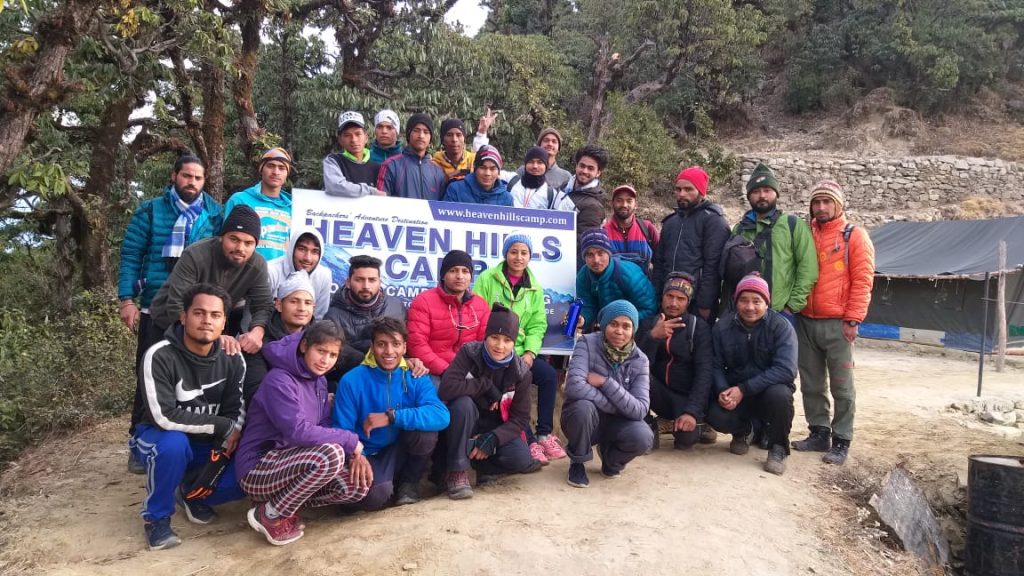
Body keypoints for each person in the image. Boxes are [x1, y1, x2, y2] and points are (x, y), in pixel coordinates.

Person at [130, 206, 273, 443]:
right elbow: (176, 303)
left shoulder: (257, 265)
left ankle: (198, 434)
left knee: (202, 382)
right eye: (234, 239)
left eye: (248, 243)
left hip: (212, 323)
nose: (240, 248)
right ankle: (140, 435)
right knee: (152, 380)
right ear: (221, 237)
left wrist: (257, 330)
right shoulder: (196, 254)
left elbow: (263, 304)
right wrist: (217, 336)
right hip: (167, 319)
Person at [118, 154, 223, 473]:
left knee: (192, 378)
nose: (192, 182)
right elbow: (132, 254)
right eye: (187, 176)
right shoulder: (151, 210)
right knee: (148, 374)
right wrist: (126, 300)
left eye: (198, 178)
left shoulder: (215, 213)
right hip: (156, 306)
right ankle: (139, 441)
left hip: (196, 309)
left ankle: (184, 441)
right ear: (173, 176)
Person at [129, 284, 246, 550]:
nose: (207, 321)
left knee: (247, 468)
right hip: (158, 435)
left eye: (215, 315)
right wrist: (223, 426)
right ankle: (156, 518)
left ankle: (192, 493)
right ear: (183, 316)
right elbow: (163, 416)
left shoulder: (232, 356)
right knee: (173, 446)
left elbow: (235, 409)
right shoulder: (159, 354)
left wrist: (231, 432)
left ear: (224, 321)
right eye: (199, 313)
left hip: (206, 440)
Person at [235, 321, 370, 546]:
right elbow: (297, 432)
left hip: (293, 465)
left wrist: (356, 455)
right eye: (321, 351)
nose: (325, 360)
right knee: (332, 454)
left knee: (357, 485)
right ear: (304, 346)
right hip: (258, 467)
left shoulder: (319, 381)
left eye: (332, 355)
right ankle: (269, 514)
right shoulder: (279, 379)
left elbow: (324, 425)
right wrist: (351, 441)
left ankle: (284, 505)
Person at [792, 180, 875, 465]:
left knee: (842, 384)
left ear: (838, 204)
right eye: (817, 202)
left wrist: (853, 318)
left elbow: (863, 280)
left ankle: (842, 439)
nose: (821, 207)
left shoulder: (855, 236)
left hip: (838, 321)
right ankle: (819, 432)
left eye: (827, 202)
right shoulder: (805, 233)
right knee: (811, 382)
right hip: (805, 319)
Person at [332, 318, 450, 509]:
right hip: (367, 452)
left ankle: (409, 483)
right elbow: (341, 428)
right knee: (375, 497)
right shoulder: (351, 380)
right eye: (381, 344)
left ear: (404, 347)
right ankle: (385, 485)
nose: (389, 352)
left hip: (400, 447)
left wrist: (391, 417)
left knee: (426, 432)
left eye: (395, 344)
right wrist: (355, 455)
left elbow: (441, 415)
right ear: (372, 346)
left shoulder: (415, 375)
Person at [474, 233, 567, 464]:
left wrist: (530, 353)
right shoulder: (487, 279)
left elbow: (538, 325)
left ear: (530, 256)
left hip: (521, 351)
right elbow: (478, 314)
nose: (518, 257)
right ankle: (531, 441)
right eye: (513, 251)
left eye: (524, 253)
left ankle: (545, 433)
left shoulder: (534, 287)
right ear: (506, 254)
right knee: (514, 383)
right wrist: (497, 348)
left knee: (546, 376)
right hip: (495, 351)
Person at [438, 303, 542, 499]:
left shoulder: (520, 372)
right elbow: (447, 388)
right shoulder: (469, 353)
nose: (500, 346)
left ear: (514, 342)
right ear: (486, 336)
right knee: (463, 404)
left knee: (520, 458)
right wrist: (484, 385)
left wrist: (493, 438)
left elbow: (520, 419)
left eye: (507, 340)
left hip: (494, 427)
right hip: (465, 424)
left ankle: (483, 467)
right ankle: (457, 472)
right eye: (494, 337)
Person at [706, 274, 798, 476]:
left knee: (780, 395)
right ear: (735, 301)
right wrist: (723, 390)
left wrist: (744, 389)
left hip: (767, 393)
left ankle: (778, 447)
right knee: (714, 412)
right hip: (738, 394)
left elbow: (786, 370)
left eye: (757, 301)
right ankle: (744, 430)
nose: (749, 307)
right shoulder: (723, 326)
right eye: (744, 300)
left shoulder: (781, 327)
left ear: (767, 303)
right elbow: (715, 365)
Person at [561, 300, 653, 488]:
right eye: (614, 324)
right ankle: (578, 462)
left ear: (633, 330)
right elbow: (574, 387)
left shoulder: (640, 360)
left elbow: (640, 410)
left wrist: (605, 382)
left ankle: (612, 460)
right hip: (586, 420)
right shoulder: (586, 343)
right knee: (582, 407)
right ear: (604, 325)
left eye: (626, 326)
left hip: (617, 423)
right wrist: (620, 407)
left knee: (643, 435)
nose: (619, 331)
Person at [730, 162, 818, 321]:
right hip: (744, 313)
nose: (762, 195)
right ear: (748, 196)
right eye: (756, 191)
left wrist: (791, 307)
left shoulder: (793, 225)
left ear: (776, 193)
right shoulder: (739, 229)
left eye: (767, 190)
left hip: (780, 313)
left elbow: (808, 268)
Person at [636, 273, 713, 450]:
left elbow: (704, 373)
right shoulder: (649, 324)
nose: (673, 303)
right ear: (662, 297)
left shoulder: (698, 328)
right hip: (656, 394)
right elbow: (634, 364)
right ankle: (647, 422)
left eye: (680, 298)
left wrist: (692, 412)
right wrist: (652, 338)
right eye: (669, 296)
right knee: (640, 372)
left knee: (686, 441)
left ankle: (692, 423)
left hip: (684, 398)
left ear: (688, 301)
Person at [652, 167, 730, 321]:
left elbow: (713, 267)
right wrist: (658, 295)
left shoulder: (714, 222)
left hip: (696, 303)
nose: (682, 194)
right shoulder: (671, 222)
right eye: (678, 189)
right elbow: (659, 263)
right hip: (669, 300)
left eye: (688, 189)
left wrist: (705, 304)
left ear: (701, 192)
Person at [407, 250, 491, 378]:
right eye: (453, 270)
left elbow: (484, 343)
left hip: (468, 372)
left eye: (465, 271)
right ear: (443, 275)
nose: (460, 276)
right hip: (432, 371)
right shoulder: (423, 301)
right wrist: (448, 370)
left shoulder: (480, 305)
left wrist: (473, 371)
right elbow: (417, 345)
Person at [242, 272, 315, 404]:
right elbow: (255, 392)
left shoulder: (318, 340)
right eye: (294, 301)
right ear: (279, 305)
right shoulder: (260, 343)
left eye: (308, 303)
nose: (302, 308)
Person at [325, 255, 407, 374]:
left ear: (380, 282)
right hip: (352, 378)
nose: (366, 286)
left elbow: (406, 342)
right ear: (348, 282)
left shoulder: (396, 306)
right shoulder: (333, 315)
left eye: (372, 280)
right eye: (359, 280)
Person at [576, 228, 657, 331]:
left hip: (633, 328)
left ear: (608, 254)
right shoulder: (583, 276)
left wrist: (621, 323)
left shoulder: (628, 274)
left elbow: (649, 308)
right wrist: (583, 319)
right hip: (605, 328)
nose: (596, 260)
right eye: (590, 255)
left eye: (600, 253)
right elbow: (588, 305)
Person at [224, 148, 293, 261]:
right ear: (261, 169)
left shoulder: (293, 207)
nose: (276, 172)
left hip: (282, 276)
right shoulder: (240, 200)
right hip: (245, 273)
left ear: (287, 174)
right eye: (270, 166)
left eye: (281, 168)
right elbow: (226, 240)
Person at [266, 227, 332, 320]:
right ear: (292, 249)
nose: (307, 258)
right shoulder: (270, 271)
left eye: (314, 251)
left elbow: (318, 317)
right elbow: (256, 315)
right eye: (302, 249)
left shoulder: (323, 275)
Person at [551, 144, 609, 250]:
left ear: (598, 173)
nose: (585, 171)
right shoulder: (564, 186)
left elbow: (585, 243)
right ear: (576, 165)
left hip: (568, 260)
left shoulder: (593, 206)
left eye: (590, 168)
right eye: (582, 166)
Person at [377, 113, 446, 200]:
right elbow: (380, 203)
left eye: (426, 132)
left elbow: (442, 208)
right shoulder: (391, 165)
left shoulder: (438, 172)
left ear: (430, 139)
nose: (421, 136)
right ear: (409, 134)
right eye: (416, 130)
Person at [323, 110, 384, 197]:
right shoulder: (333, 161)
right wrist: (370, 191)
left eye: (358, 134)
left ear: (366, 138)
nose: (353, 140)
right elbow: (335, 186)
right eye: (347, 135)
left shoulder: (377, 167)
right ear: (340, 140)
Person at [602, 184, 660, 276]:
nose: (624, 205)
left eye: (629, 201)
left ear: (636, 205)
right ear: (611, 203)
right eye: (619, 200)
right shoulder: (603, 232)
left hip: (643, 288)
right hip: (613, 288)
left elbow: (660, 262)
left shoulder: (647, 228)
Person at [431, 110, 496, 181]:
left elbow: (482, 157)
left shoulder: (472, 160)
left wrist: (482, 132)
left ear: (464, 139)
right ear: (443, 140)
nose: (454, 139)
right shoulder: (435, 164)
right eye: (449, 135)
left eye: (458, 135)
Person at [440, 145, 512, 206]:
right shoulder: (455, 190)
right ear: (475, 168)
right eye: (483, 168)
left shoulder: (506, 198)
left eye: (492, 169)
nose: (487, 173)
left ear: (499, 172)